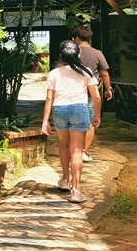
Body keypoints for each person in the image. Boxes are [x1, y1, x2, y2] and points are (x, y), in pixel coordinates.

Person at [41, 40, 101, 203]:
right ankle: (75, 190)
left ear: (61, 54)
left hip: (59, 110)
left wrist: (45, 120)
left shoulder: (54, 73)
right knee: (76, 150)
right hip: (79, 110)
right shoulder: (86, 71)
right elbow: (95, 96)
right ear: (78, 54)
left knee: (63, 145)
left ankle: (65, 180)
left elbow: (49, 99)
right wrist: (97, 115)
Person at [73, 25, 112, 162]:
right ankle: (84, 151)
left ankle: (73, 151)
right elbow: (104, 73)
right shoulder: (97, 53)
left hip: (72, 91)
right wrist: (108, 89)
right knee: (89, 123)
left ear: (76, 38)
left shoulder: (71, 53)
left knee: (72, 121)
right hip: (90, 92)